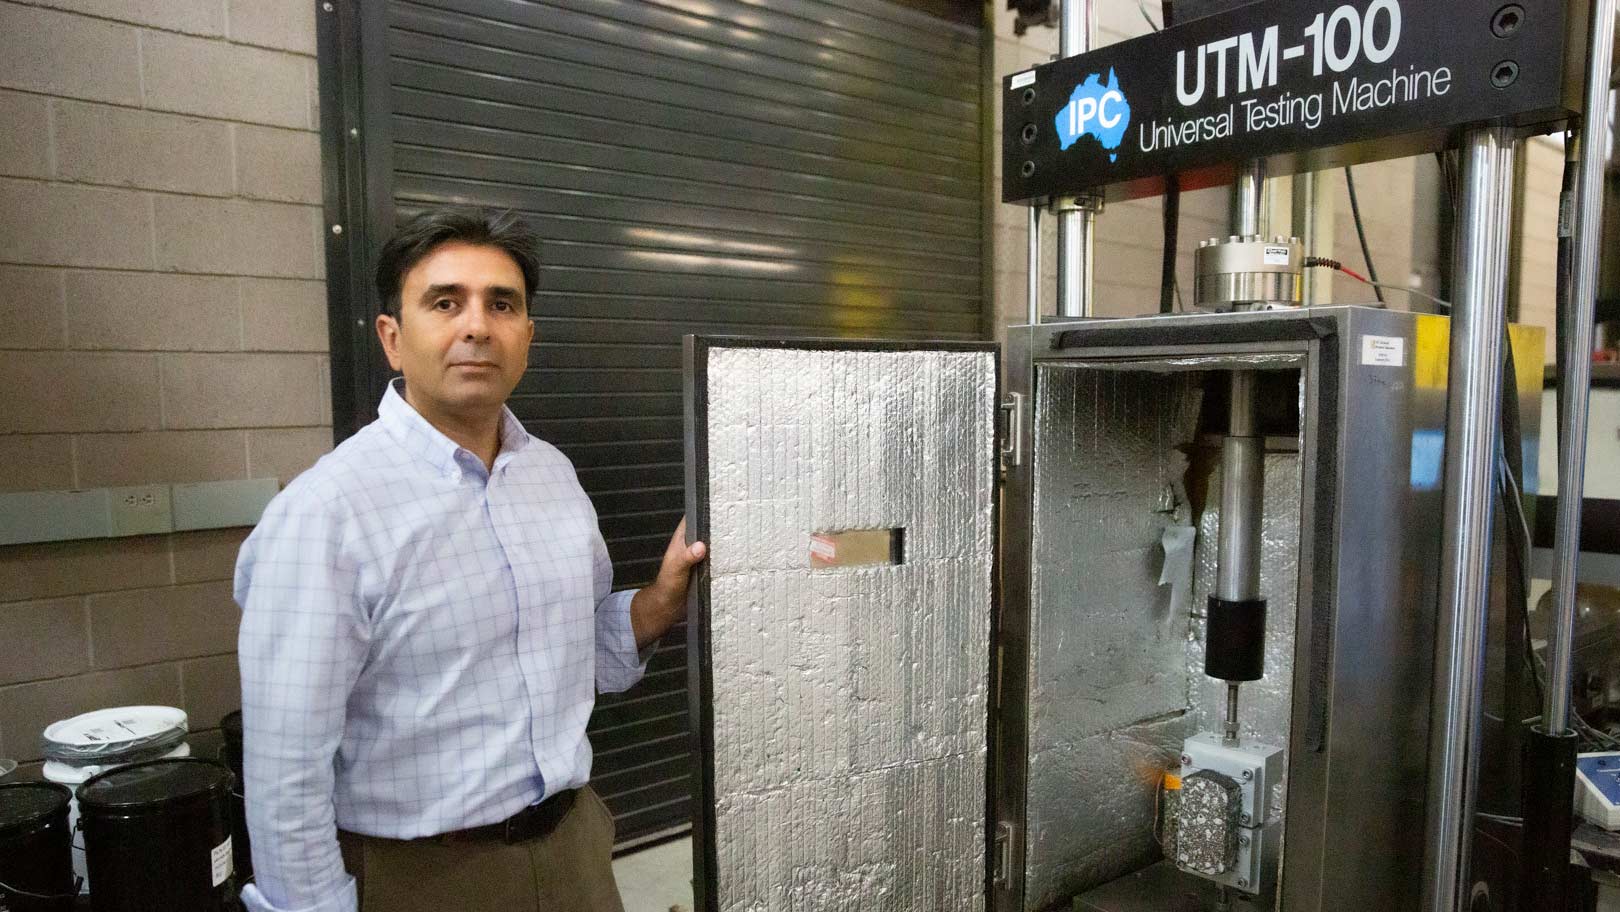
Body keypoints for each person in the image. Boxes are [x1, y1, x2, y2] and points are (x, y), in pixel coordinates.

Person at [234, 207, 704, 912]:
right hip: (423, 879)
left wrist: (658, 602)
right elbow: (285, 771)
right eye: (445, 302)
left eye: (502, 304)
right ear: (392, 339)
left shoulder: (552, 475)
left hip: (573, 853)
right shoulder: (327, 515)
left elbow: (587, 656)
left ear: (527, 337)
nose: (477, 325)